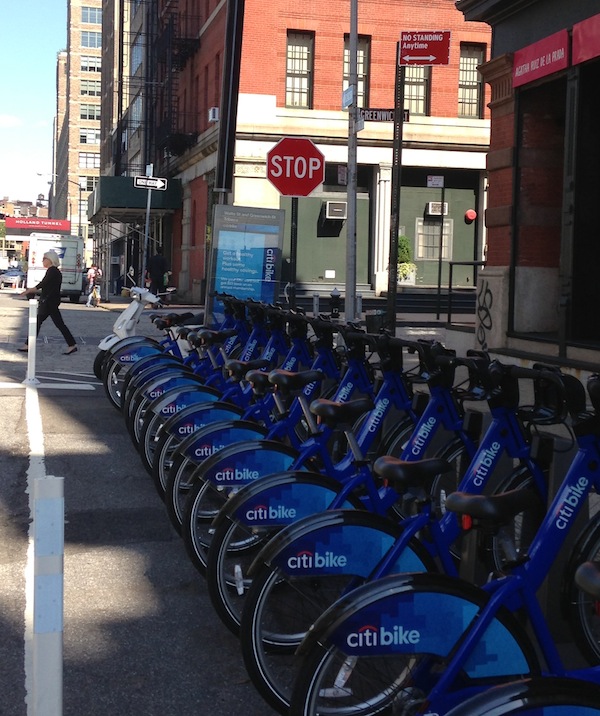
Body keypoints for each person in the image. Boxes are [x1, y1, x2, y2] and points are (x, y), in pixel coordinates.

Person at [19, 250, 78, 355]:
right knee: (44, 323)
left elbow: (43, 284)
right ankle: (71, 344)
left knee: (44, 323)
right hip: (50, 302)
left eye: (44, 259)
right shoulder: (54, 271)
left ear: (50, 260)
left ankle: (71, 344)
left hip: (49, 303)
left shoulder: (53, 271)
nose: (42, 261)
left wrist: (29, 290)